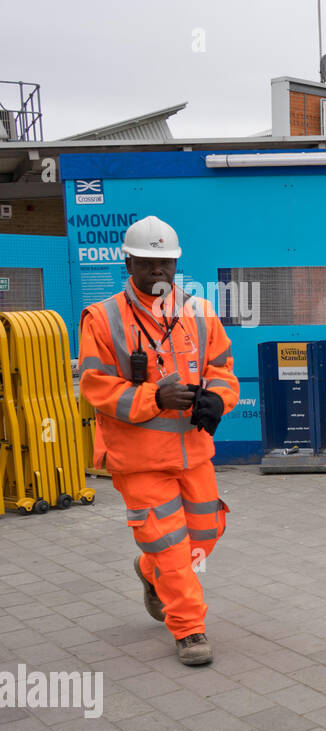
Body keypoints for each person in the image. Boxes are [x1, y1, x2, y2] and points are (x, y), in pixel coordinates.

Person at [78, 216, 238, 664]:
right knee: (169, 543)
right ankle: (188, 629)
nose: (158, 273)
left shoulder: (201, 312)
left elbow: (223, 371)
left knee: (207, 530)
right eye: (148, 264)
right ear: (128, 262)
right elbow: (96, 387)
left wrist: (219, 401)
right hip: (138, 459)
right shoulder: (102, 318)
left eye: (165, 264)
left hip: (193, 454)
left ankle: (149, 571)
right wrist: (154, 397)